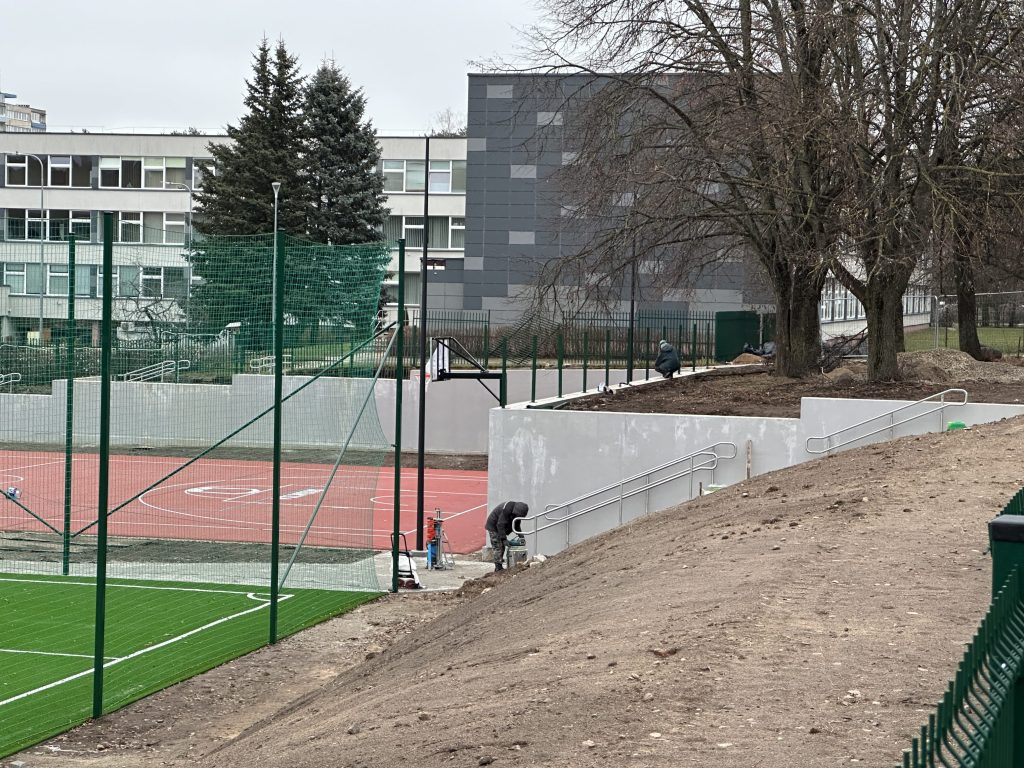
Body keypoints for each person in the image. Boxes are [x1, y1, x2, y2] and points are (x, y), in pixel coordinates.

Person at [484, 500, 529, 572]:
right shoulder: (507, 510)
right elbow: (500, 524)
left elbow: (516, 526)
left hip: (500, 526)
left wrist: (521, 537)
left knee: (502, 546)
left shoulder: (517, 514)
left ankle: (499, 566)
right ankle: (498, 567)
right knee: (498, 547)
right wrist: (504, 539)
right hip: (493, 526)